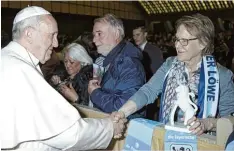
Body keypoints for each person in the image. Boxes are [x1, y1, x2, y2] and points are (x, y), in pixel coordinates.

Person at [0, 6, 126, 150]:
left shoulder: (8, 60)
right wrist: (110, 127)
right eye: (52, 35)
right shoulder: (19, 69)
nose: (56, 44)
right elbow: (69, 133)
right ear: (29, 34)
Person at [112, 13, 234, 135]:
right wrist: (122, 112)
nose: (177, 45)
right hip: (168, 137)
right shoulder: (170, 65)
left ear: (203, 43)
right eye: (177, 39)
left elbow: (230, 120)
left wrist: (207, 124)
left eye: (184, 41)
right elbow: (147, 91)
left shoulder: (221, 75)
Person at [88, 14, 146, 116]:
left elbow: (123, 107)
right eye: (94, 35)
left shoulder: (129, 64)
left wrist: (95, 93)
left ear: (116, 34)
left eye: (99, 34)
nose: (94, 40)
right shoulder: (103, 60)